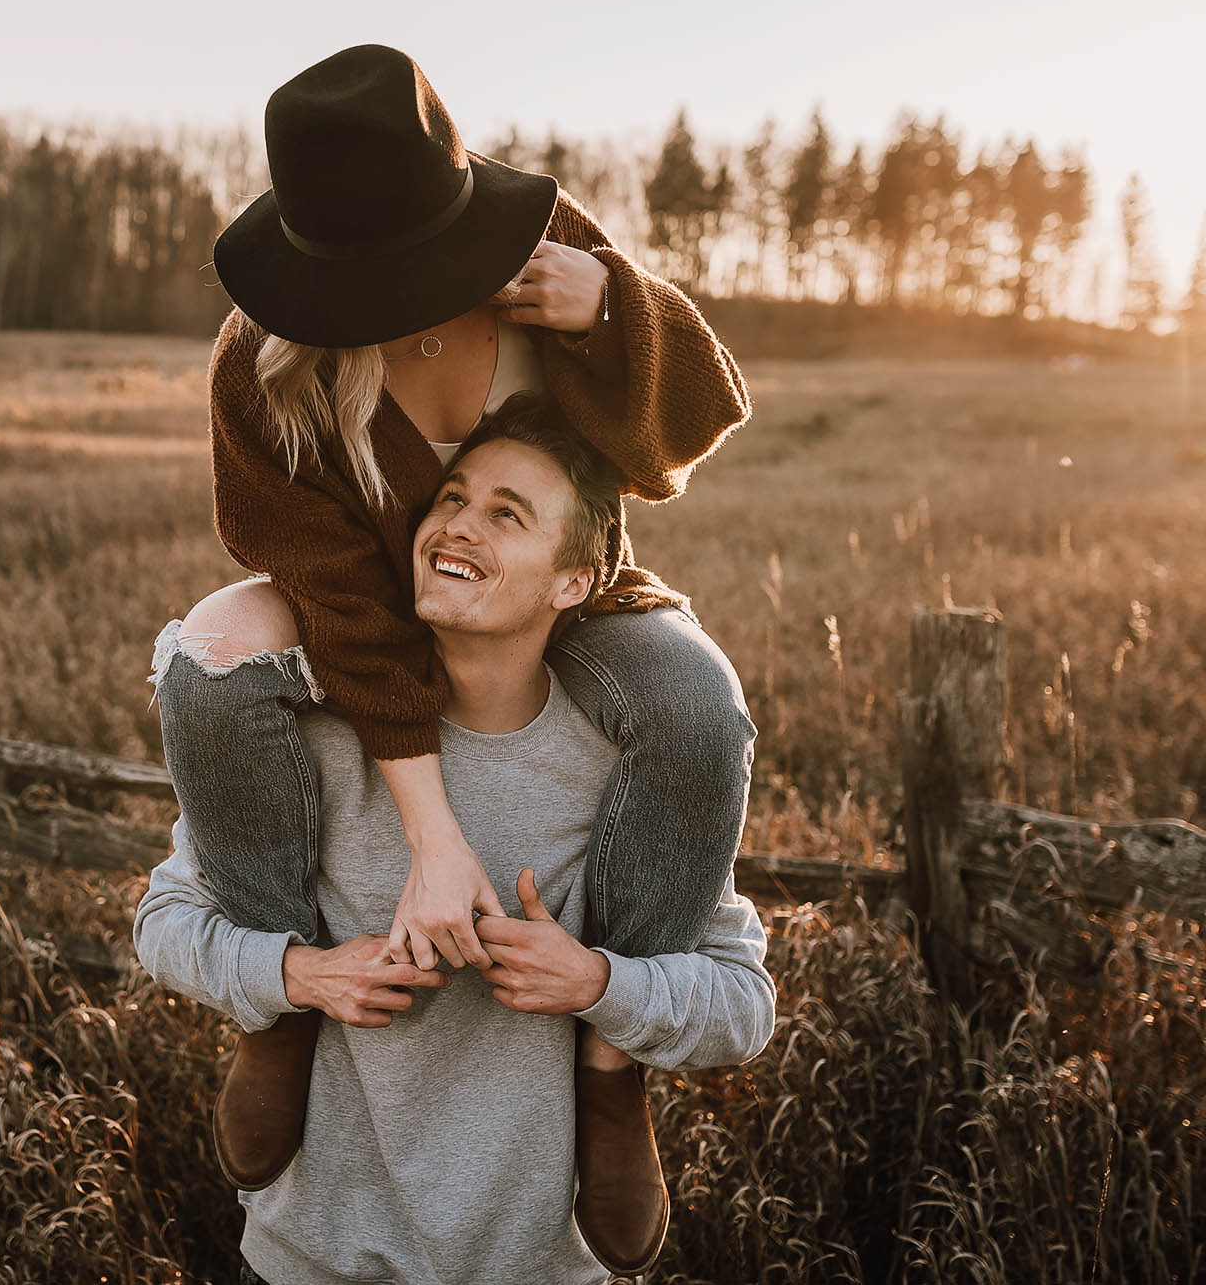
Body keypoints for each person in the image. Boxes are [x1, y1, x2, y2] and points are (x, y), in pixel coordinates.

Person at [150, 43, 755, 1263]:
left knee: (694, 702)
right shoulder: (261, 364)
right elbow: (330, 590)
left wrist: (612, 310)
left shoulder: (538, 246)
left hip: (563, 605)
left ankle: (610, 1064)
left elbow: (692, 420)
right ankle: (280, 1000)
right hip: (361, 617)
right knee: (207, 657)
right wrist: (429, 837)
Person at [136, 400, 776, 1282]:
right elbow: (164, 920)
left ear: (574, 582)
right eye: (451, 497)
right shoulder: (312, 739)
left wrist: (598, 982)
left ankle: (611, 1075)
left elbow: (743, 1005)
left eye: (507, 514)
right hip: (310, 1257)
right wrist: (300, 976)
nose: (458, 524)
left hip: (537, 1266)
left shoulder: (627, 768)